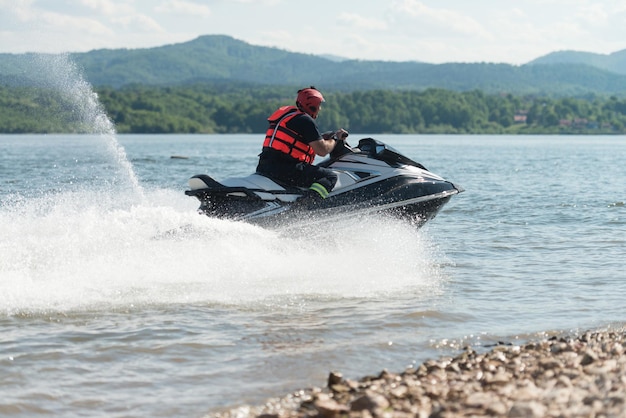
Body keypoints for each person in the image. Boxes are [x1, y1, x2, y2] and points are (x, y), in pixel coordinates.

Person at [256, 86, 348, 199]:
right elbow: (322, 150)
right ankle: (306, 205)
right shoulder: (306, 121)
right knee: (330, 177)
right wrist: (335, 139)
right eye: (319, 105)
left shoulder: (289, 116)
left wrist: (323, 137)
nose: (320, 109)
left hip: (264, 166)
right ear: (312, 106)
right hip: (286, 169)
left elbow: (297, 140)